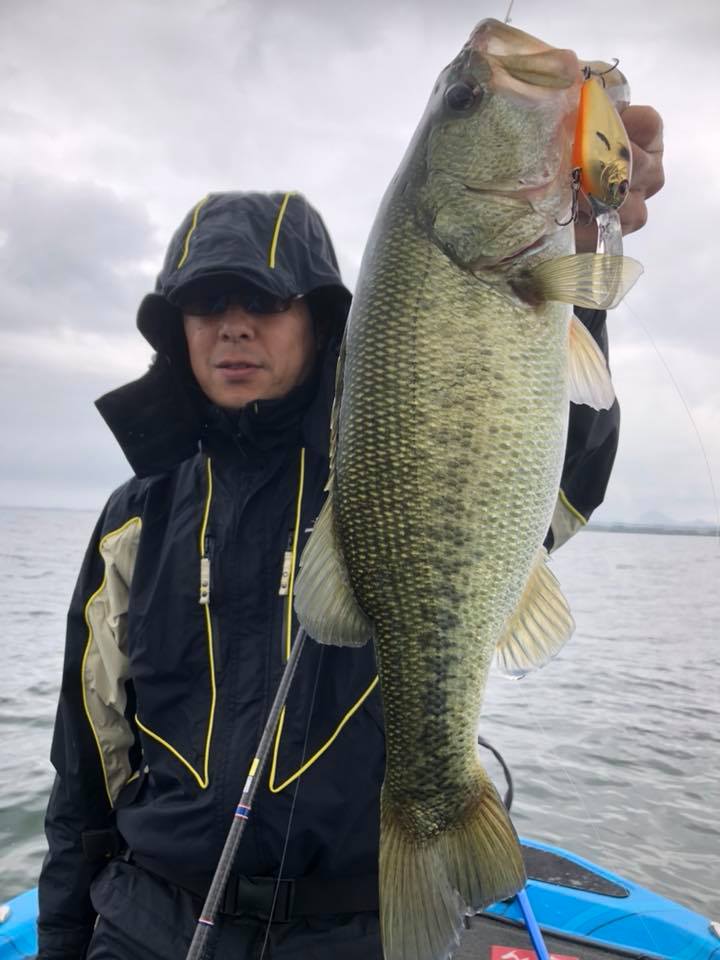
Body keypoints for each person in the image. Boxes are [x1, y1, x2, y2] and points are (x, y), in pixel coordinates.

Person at [36, 107, 664, 960]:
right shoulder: (135, 518)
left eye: (264, 299)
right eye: (204, 303)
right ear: (174, 327)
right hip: (147, 921)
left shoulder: (390, 460)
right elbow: (85, 762)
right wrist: (62, 941)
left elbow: (559, 467)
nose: (233, 326)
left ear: (321, 318)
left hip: (354, 927)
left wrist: (582, 249)